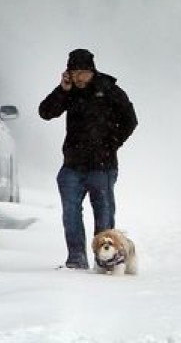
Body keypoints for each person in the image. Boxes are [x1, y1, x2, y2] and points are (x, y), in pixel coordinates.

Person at [39, 48, 138, 270]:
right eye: (74, 73)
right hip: (72, 165)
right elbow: (45, 112)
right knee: (71, 213)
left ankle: (105, 261)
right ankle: (76, 259)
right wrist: (62, 91)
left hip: (103, 166)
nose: (79, 78)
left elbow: (130, 120)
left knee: (104, 214)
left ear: (91, 71)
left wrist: (112, 143)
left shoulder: (109, 89)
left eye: (82, 73)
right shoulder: (69, 91)